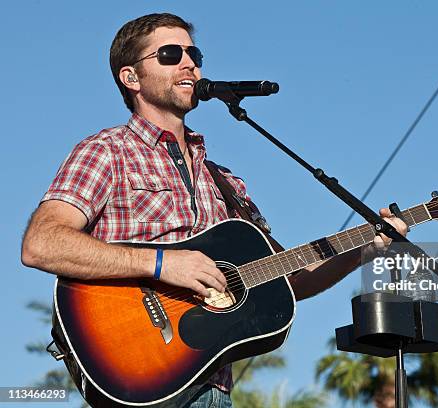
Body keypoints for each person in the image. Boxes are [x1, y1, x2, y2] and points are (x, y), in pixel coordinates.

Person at [20, 13, 407, 408]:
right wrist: (163, 265)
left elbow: (288, 281)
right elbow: (42, 244)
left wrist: (362, 250)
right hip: (138, 377)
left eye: (194, 52)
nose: (190, 63)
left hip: (214, 388)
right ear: (131, 78)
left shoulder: (225, 182)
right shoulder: (106, 151)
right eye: (171, 54)